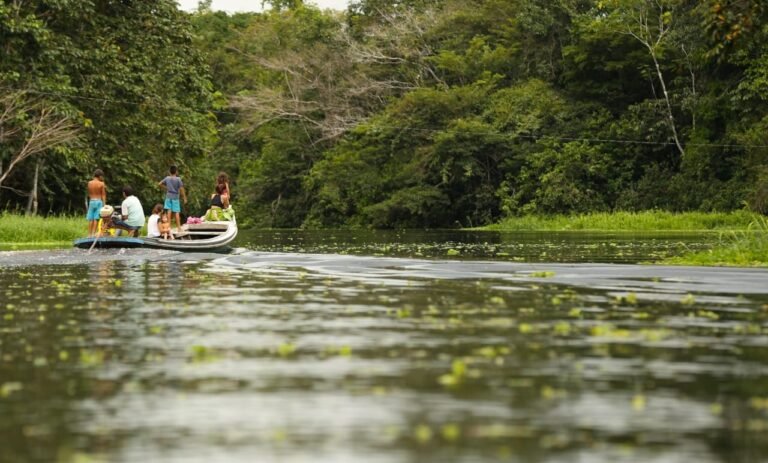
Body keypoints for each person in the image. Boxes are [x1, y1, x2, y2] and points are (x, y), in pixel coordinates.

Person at [159, 165, 187, 232]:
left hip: (168, 196)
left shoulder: (167, 178)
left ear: (169, 172)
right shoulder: (178, 179)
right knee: (176, 212)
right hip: (175, 197)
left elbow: (159, 183)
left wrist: (166, 188)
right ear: (176, 172)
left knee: (169, 211)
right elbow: (181, 189)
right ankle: (179, 228)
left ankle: (169, 227)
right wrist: (184, 198)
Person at [86, 169, 107, 237]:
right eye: (102, 176)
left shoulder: (89, 183)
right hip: (98, 201)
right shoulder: (101, 184)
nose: (102, 178)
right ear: (99, 176)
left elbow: (89, 193)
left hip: (91, 201)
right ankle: (93, 234)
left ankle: (89, 234)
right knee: (96, 219)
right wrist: (104, 205)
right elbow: (103, 195)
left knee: (90, 219)